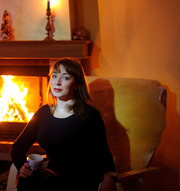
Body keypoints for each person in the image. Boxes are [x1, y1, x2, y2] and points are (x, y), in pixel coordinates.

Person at [11, 58, 117, 191]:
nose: (58, 82)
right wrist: (22, 166)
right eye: (55, 76)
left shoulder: (89, 115)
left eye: (65, 78)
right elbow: (18, 147)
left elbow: (103, 153)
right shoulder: (43, 112)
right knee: (27, 181)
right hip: (51, 177)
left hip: (81, 181)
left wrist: (109, 178)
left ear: (77, 84)